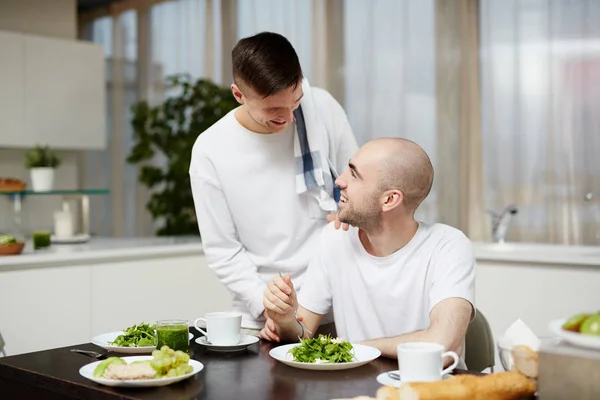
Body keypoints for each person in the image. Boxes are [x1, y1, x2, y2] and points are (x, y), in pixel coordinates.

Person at [189, 31, 358, 336]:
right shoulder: (210, 150)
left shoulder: (322, 107)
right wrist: (268, 307)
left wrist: (350, 210)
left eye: (295, 102)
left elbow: (358, 181)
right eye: (273, 110)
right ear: (238, 94)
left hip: (337, 309)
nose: (290, 117)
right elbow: (222, 250)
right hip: (261, 321)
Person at [262, 138, 475, 366]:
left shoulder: (448, 246)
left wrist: (354, 348)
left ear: (390, 199)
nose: (339, 180)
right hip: (357, 387)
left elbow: (443, 347)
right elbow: (303, 334)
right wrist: (284, 319)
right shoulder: (335, 239)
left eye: (354, 175)